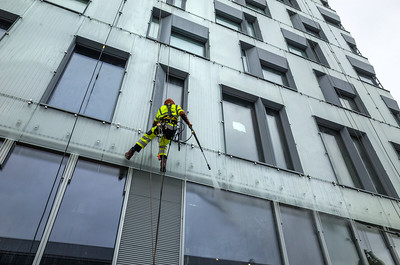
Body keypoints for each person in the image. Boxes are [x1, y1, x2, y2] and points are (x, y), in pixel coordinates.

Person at [125, 98, 192, 172]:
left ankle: (131, 152)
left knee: (147, 137)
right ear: (172, 103)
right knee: (163, 145)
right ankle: (163, 163)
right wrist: (189, 124)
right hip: (172, 130)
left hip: (162, 126)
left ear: (165, 104)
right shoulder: (176, 107)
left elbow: (155, 121)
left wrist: (153, 129)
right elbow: (182, 114)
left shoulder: (162, 108)